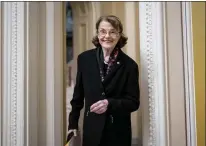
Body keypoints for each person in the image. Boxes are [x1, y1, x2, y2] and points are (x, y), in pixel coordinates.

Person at [67, 15, 140, 146]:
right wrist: (72, 124)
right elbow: (78, 96)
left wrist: (109, 103)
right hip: (92, 130)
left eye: (112, 32)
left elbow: (133, 102)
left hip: (118, 133)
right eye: (103, 31)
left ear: (119, 35)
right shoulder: (84, 59)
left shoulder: (130, 66)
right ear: (97, 34)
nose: (107, 36)